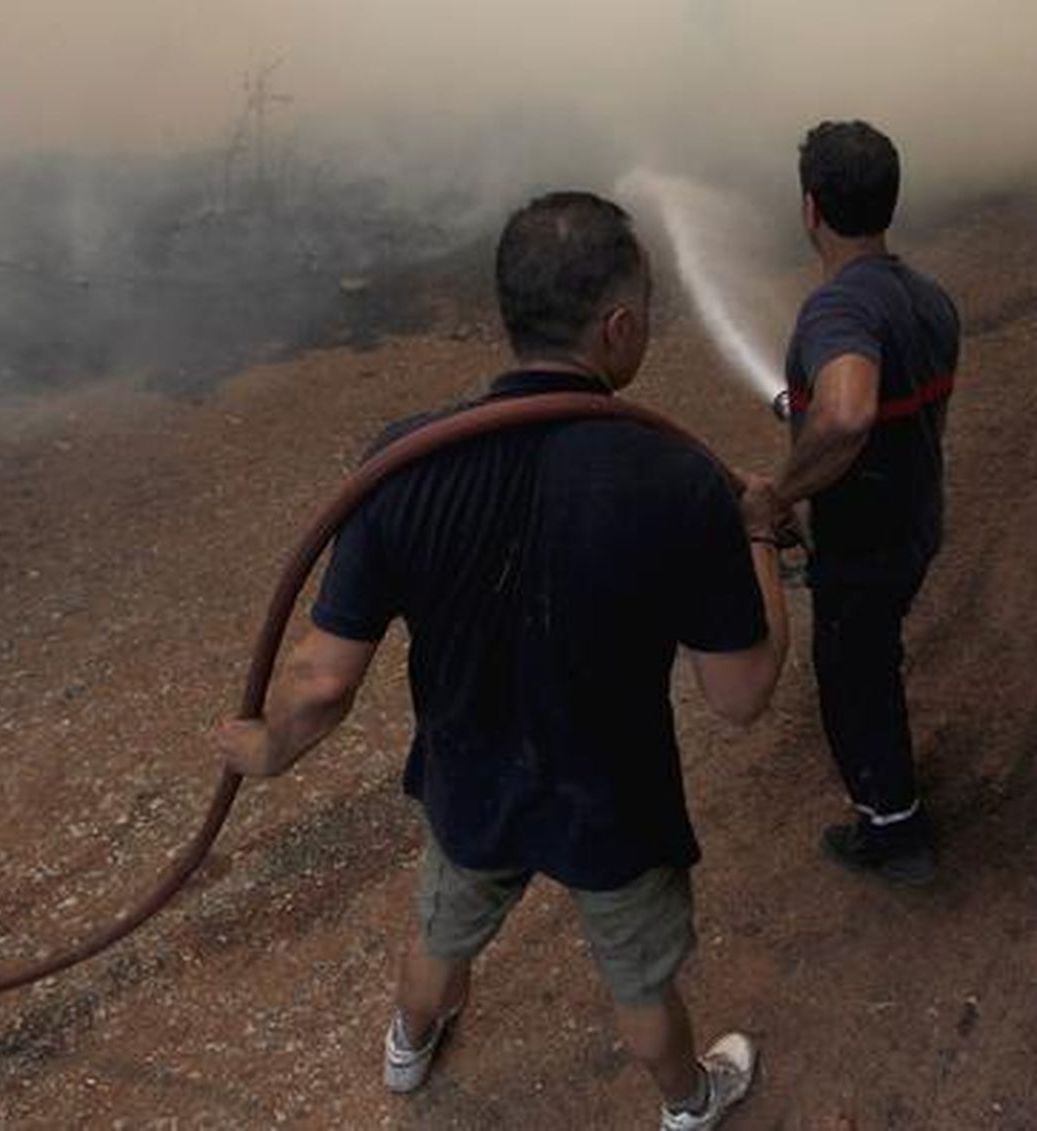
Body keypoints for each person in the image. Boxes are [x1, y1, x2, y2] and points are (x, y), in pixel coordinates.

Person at [216, 190, 788, 1130]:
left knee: (441, 937)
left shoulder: (402, 461)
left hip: (469, 780)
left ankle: (407, 1049)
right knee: (641, 988)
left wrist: (270, 745)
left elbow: (323, 683)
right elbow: (742, 691)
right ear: (617, 329)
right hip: (614, 803)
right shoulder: (675, 481)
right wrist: (761, 538)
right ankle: (690, 1102)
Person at [743, 121, 961, 885]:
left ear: (810, 209)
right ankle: (892, 805)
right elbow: (879, 406)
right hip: (915, 522)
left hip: (864, 543)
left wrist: (780, 491)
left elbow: (847, 414)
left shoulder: (839, 310)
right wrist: (799, 412)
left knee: (852, 675)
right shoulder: (927, 299)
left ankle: (892, 830)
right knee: (874, 655)